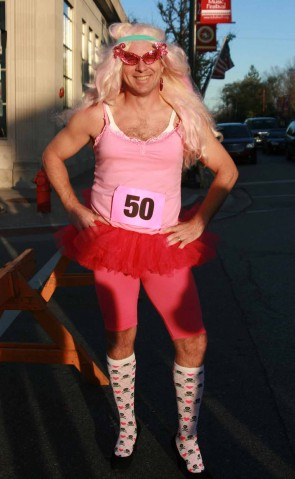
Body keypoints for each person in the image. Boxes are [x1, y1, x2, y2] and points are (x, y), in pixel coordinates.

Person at [42, 22, 238, 478]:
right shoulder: (98, 115)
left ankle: (186, 436)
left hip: (165, 244)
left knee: (192, 339)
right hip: (111, 244)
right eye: (131, 57)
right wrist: (73, 208)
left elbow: (226, 171)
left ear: (164, 60)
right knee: (120, 337)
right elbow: (53, 155)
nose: (142, 66)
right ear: (117, 62)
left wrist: (199, 221)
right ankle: (127, 428)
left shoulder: (182, 116)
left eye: (151, 57)